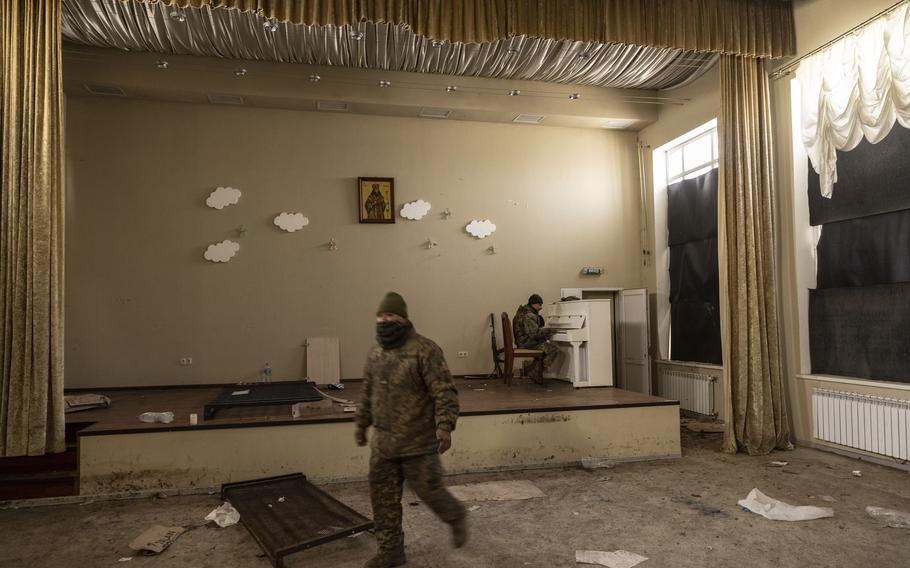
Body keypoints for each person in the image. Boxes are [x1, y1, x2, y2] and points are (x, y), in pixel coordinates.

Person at [355, 292, 467, 568]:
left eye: (390, 316)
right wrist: (361, 423)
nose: (385, 321)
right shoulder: (376, 353)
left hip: (417, 442)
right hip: (383, 444)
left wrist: (444, 425)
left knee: (431, 492)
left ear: (403, 318)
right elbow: (368, 393)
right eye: (381, 317)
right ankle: (391, 550)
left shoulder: (425, 350)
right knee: (382, 500)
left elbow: (444, 391)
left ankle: (455, 515)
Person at [512, 293, 559, 382]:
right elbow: (534, 333)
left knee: (546, 347)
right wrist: (550, 331)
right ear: (534, 304)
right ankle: (535, 371)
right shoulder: (529, 315)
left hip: (523, 341)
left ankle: (533, 369)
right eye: (540, 305)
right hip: (526, 343)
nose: (541, 307)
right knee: (553, 349)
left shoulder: (523, 312)